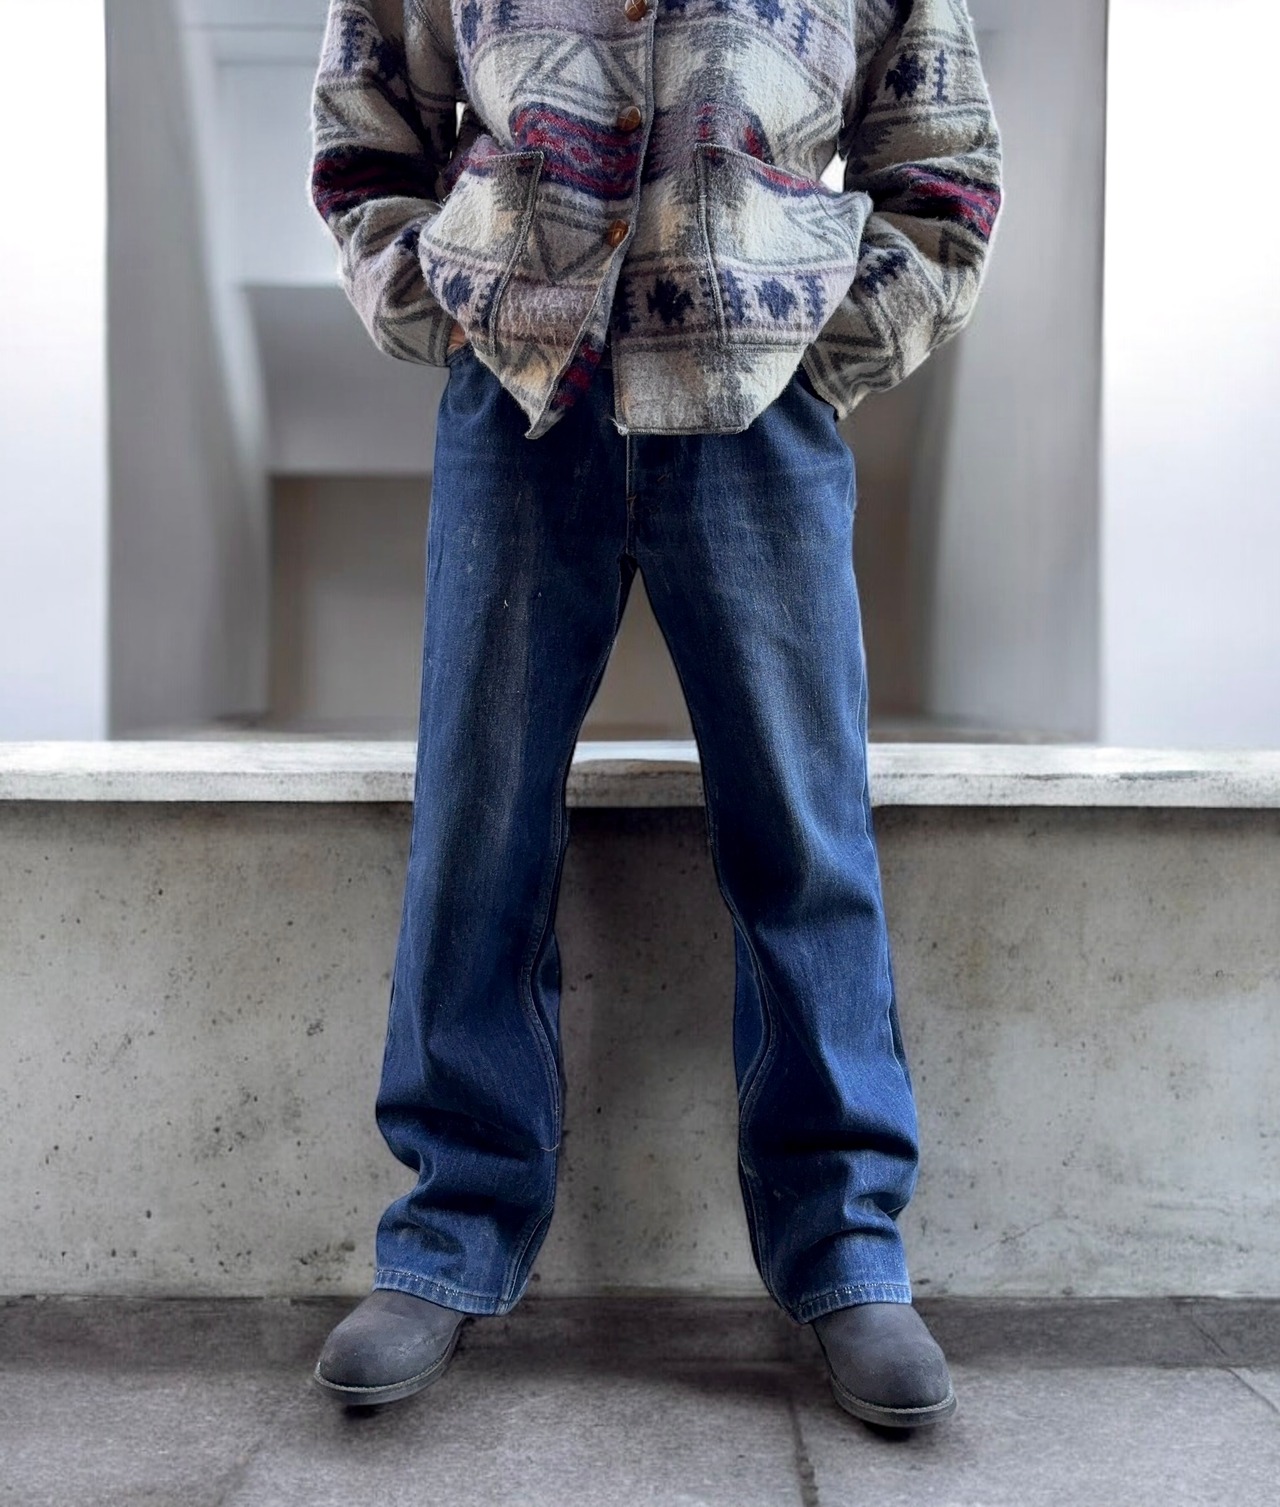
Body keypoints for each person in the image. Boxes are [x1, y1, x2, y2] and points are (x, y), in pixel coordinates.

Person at [307, 0, 1002, 1431]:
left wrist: (822, 344)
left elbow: (944, 169)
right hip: (519, 400)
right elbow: (364, 131)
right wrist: (441, 301)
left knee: (803, 830)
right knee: (477, 829)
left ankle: (847, 1248)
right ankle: (447, 1235)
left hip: (760, 406)